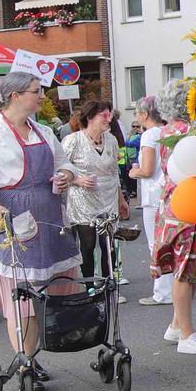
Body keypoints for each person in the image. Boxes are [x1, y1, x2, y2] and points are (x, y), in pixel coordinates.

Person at [0, 72, 79, 373]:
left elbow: (63, 163)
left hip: (48, 216)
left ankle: (31, 355)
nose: (42, 97)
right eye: (36, 91)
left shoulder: (42, 131)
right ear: (15, 96)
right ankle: (25, 362)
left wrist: (66, 176)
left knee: (46, 291)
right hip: (10, 216)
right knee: (22, 293)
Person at [150, 78, 196, 355]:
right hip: (190, 208)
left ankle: (178, 325)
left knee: (188, 269)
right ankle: (186, 335)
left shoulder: (167, 132)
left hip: (174, 205)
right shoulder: (191, 132)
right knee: (186, 271)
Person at [64, 98, 129, 280]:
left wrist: (121, 200)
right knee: (88, 244)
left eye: (110, 114)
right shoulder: (73, 141)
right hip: (83, 198)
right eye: (105, 115)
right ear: (91, 117)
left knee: (108, 243)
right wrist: (77, 179)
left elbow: (114, 171)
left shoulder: (111, 140)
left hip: (108, 197)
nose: (109, 119)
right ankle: (90, 284)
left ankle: (108, 284)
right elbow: (60, 169)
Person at [128, 95, 172, 307]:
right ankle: (172, 287)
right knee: (168, 241)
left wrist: (133, 172)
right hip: (168, 191)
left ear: (145, 114)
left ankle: (162, 292)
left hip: (153, 194)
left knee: (156, 244)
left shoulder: (148, 136)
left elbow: (147, 169)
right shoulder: (168, 131)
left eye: (137, 113)